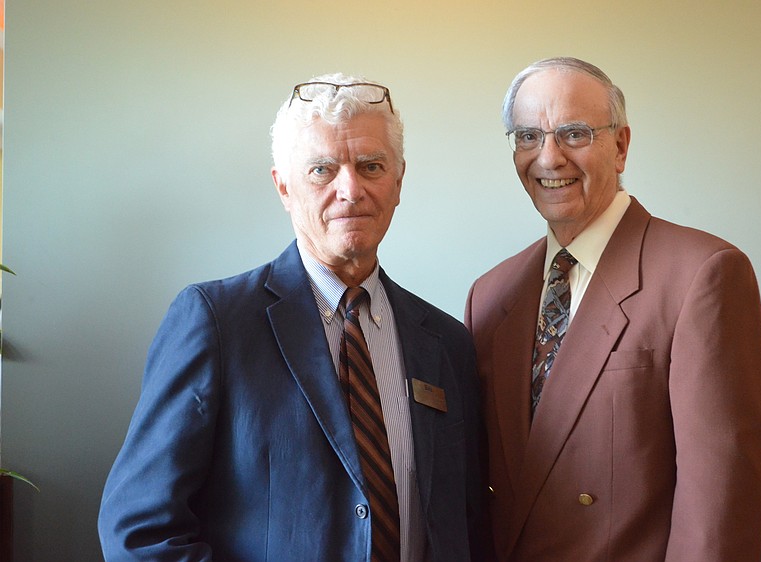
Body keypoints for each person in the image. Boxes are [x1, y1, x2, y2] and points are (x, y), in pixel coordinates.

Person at [99, 73, 490, 561]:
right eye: (322, 170)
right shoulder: (216, 322)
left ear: (398, 181)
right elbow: (139, 530)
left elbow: (469, 526)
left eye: (371, 166)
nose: (351, 189)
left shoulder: (446, 342)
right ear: (284, 187)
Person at [464, 57, 761, 561]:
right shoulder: (491, 295)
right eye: (527, 137)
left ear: (622, 146)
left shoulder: (704, 274)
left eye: (575, 133)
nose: (548, 158)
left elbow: (721, 506)